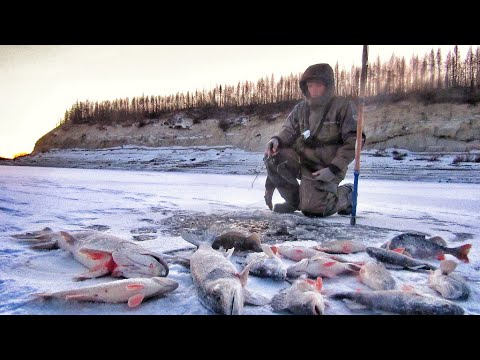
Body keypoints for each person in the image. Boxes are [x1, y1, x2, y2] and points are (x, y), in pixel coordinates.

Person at [263, 63, 366, 217]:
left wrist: (332, 169)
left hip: (326, 168)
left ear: (328, 86)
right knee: (273, 157)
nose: (314, 90)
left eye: (318, 85)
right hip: (302, 162)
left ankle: (347, 194)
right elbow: (288, 131)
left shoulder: (343, 107)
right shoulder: (301, 109)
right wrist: (276, 140)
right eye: (310, 86)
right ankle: (294, 201)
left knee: (314, 211)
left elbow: (354, 141)